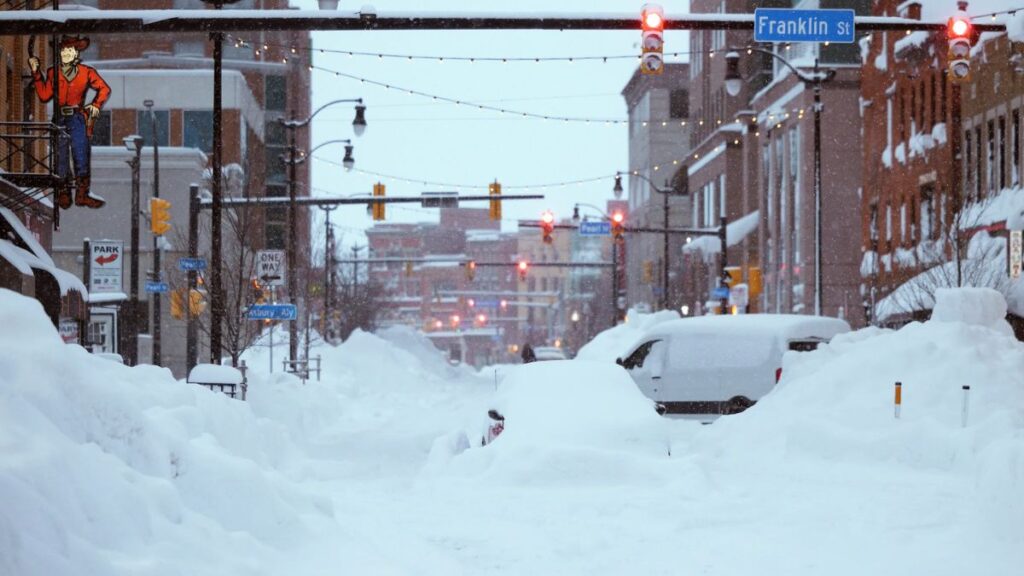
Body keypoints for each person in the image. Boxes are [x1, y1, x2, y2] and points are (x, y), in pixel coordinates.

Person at [29, 34, 111, 209]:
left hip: (77, 117)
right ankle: (63, 192)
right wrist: (36, 73)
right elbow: (44, 94)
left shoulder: (86, 72)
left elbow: (104, 89)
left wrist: (94, 105)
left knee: (81, 153)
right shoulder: (53, 72)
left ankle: (82, 194)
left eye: (70, 50)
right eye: (64, 50)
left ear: (77, 53)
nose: (66, 53)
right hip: (59, 117)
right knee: (61, 156)